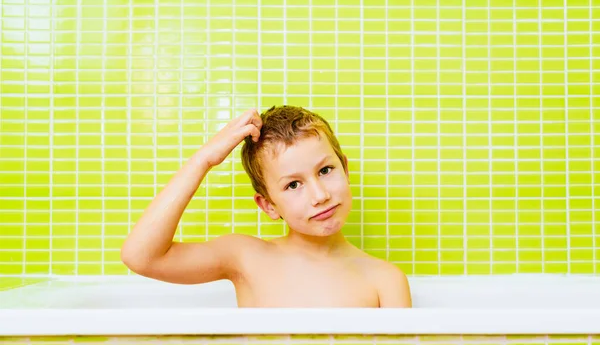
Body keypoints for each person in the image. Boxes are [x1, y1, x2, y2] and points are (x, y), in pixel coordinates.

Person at [120, 105, 412, 308]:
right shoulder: (246, 258)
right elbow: (141, 257)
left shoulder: (385, 280)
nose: (320, 195)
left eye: (325, 171)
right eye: (293, 185)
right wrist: (204, 160)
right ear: (269, 205)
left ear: (345, 170)